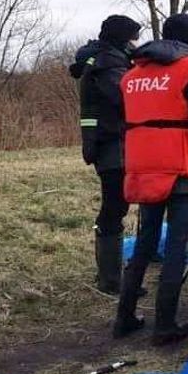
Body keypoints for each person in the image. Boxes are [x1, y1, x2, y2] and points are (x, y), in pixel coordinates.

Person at [113, 14, 188, 345]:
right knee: (177, 246)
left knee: (145, 243)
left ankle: (124, 319)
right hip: (182, 167)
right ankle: (165, 325)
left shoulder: (132, 75)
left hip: (143, 164)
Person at [69, 15, 143, 295]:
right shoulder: (108, 64)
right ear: (122, 39)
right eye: (133, 38)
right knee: (114, 209)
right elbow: (127, 99)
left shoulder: (105, 60)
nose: (135, 44)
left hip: (110, 144)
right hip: (111, 146)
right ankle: (111, 281)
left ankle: (113, 277)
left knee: (116, 207)